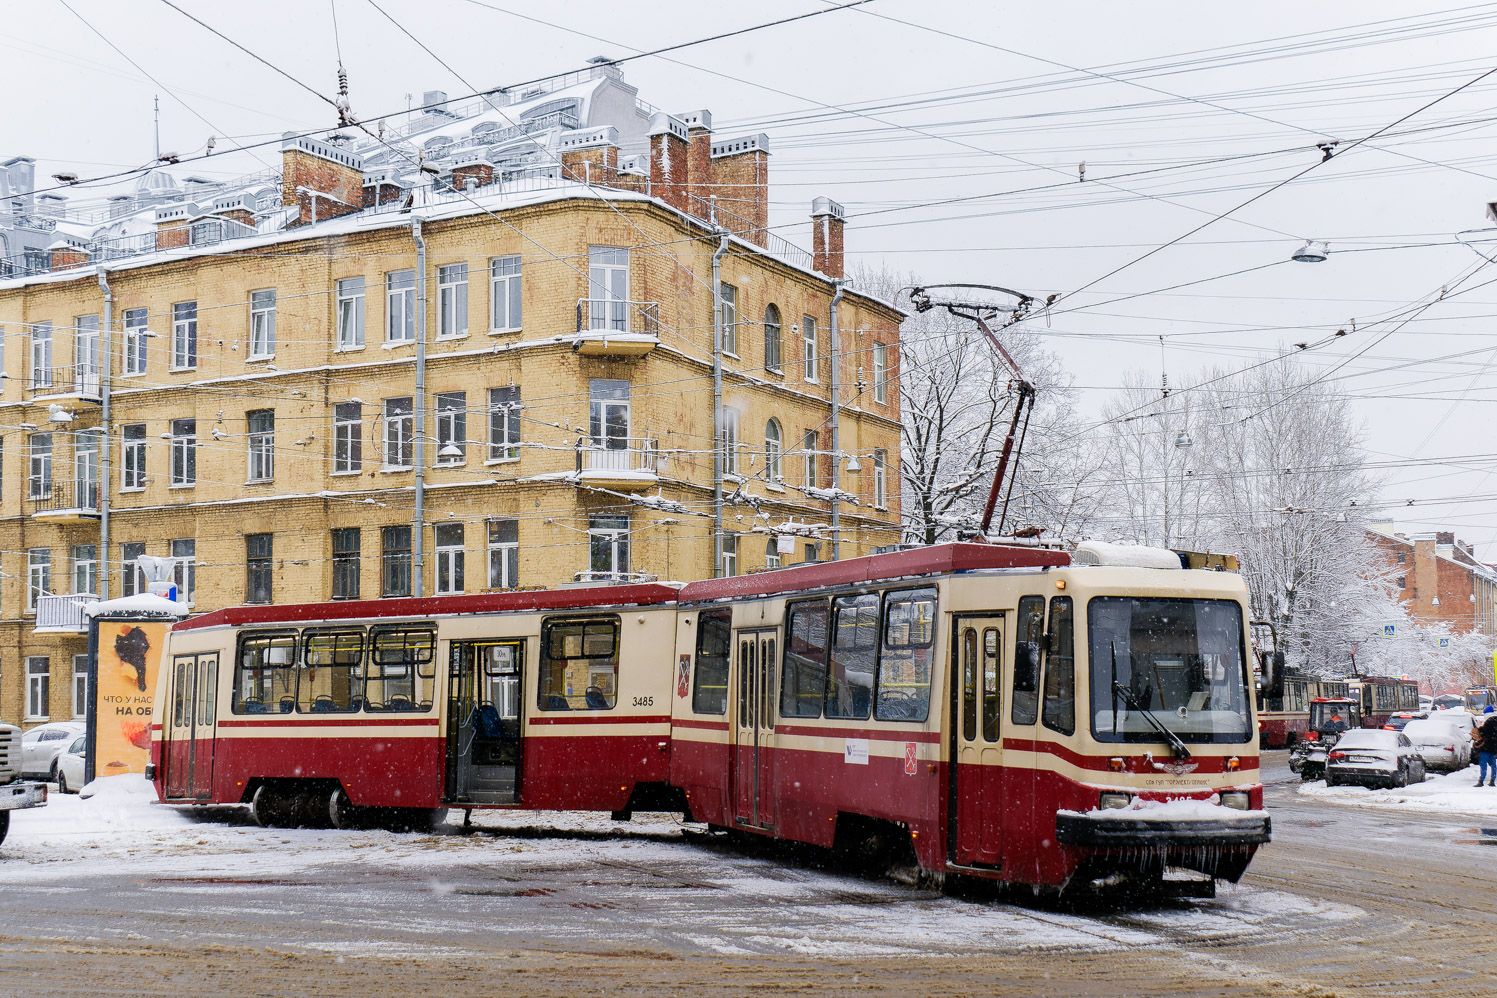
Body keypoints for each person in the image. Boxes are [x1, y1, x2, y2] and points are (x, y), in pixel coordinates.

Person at [1479, 712, 1497, 787]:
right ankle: (1492, 780)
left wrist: (1480, 729)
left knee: (1483, 764)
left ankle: (1481, 780)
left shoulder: (1489, 722)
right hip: (1494, 748)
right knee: (1493, 764)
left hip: (1486, 747)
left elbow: (1482, 732)